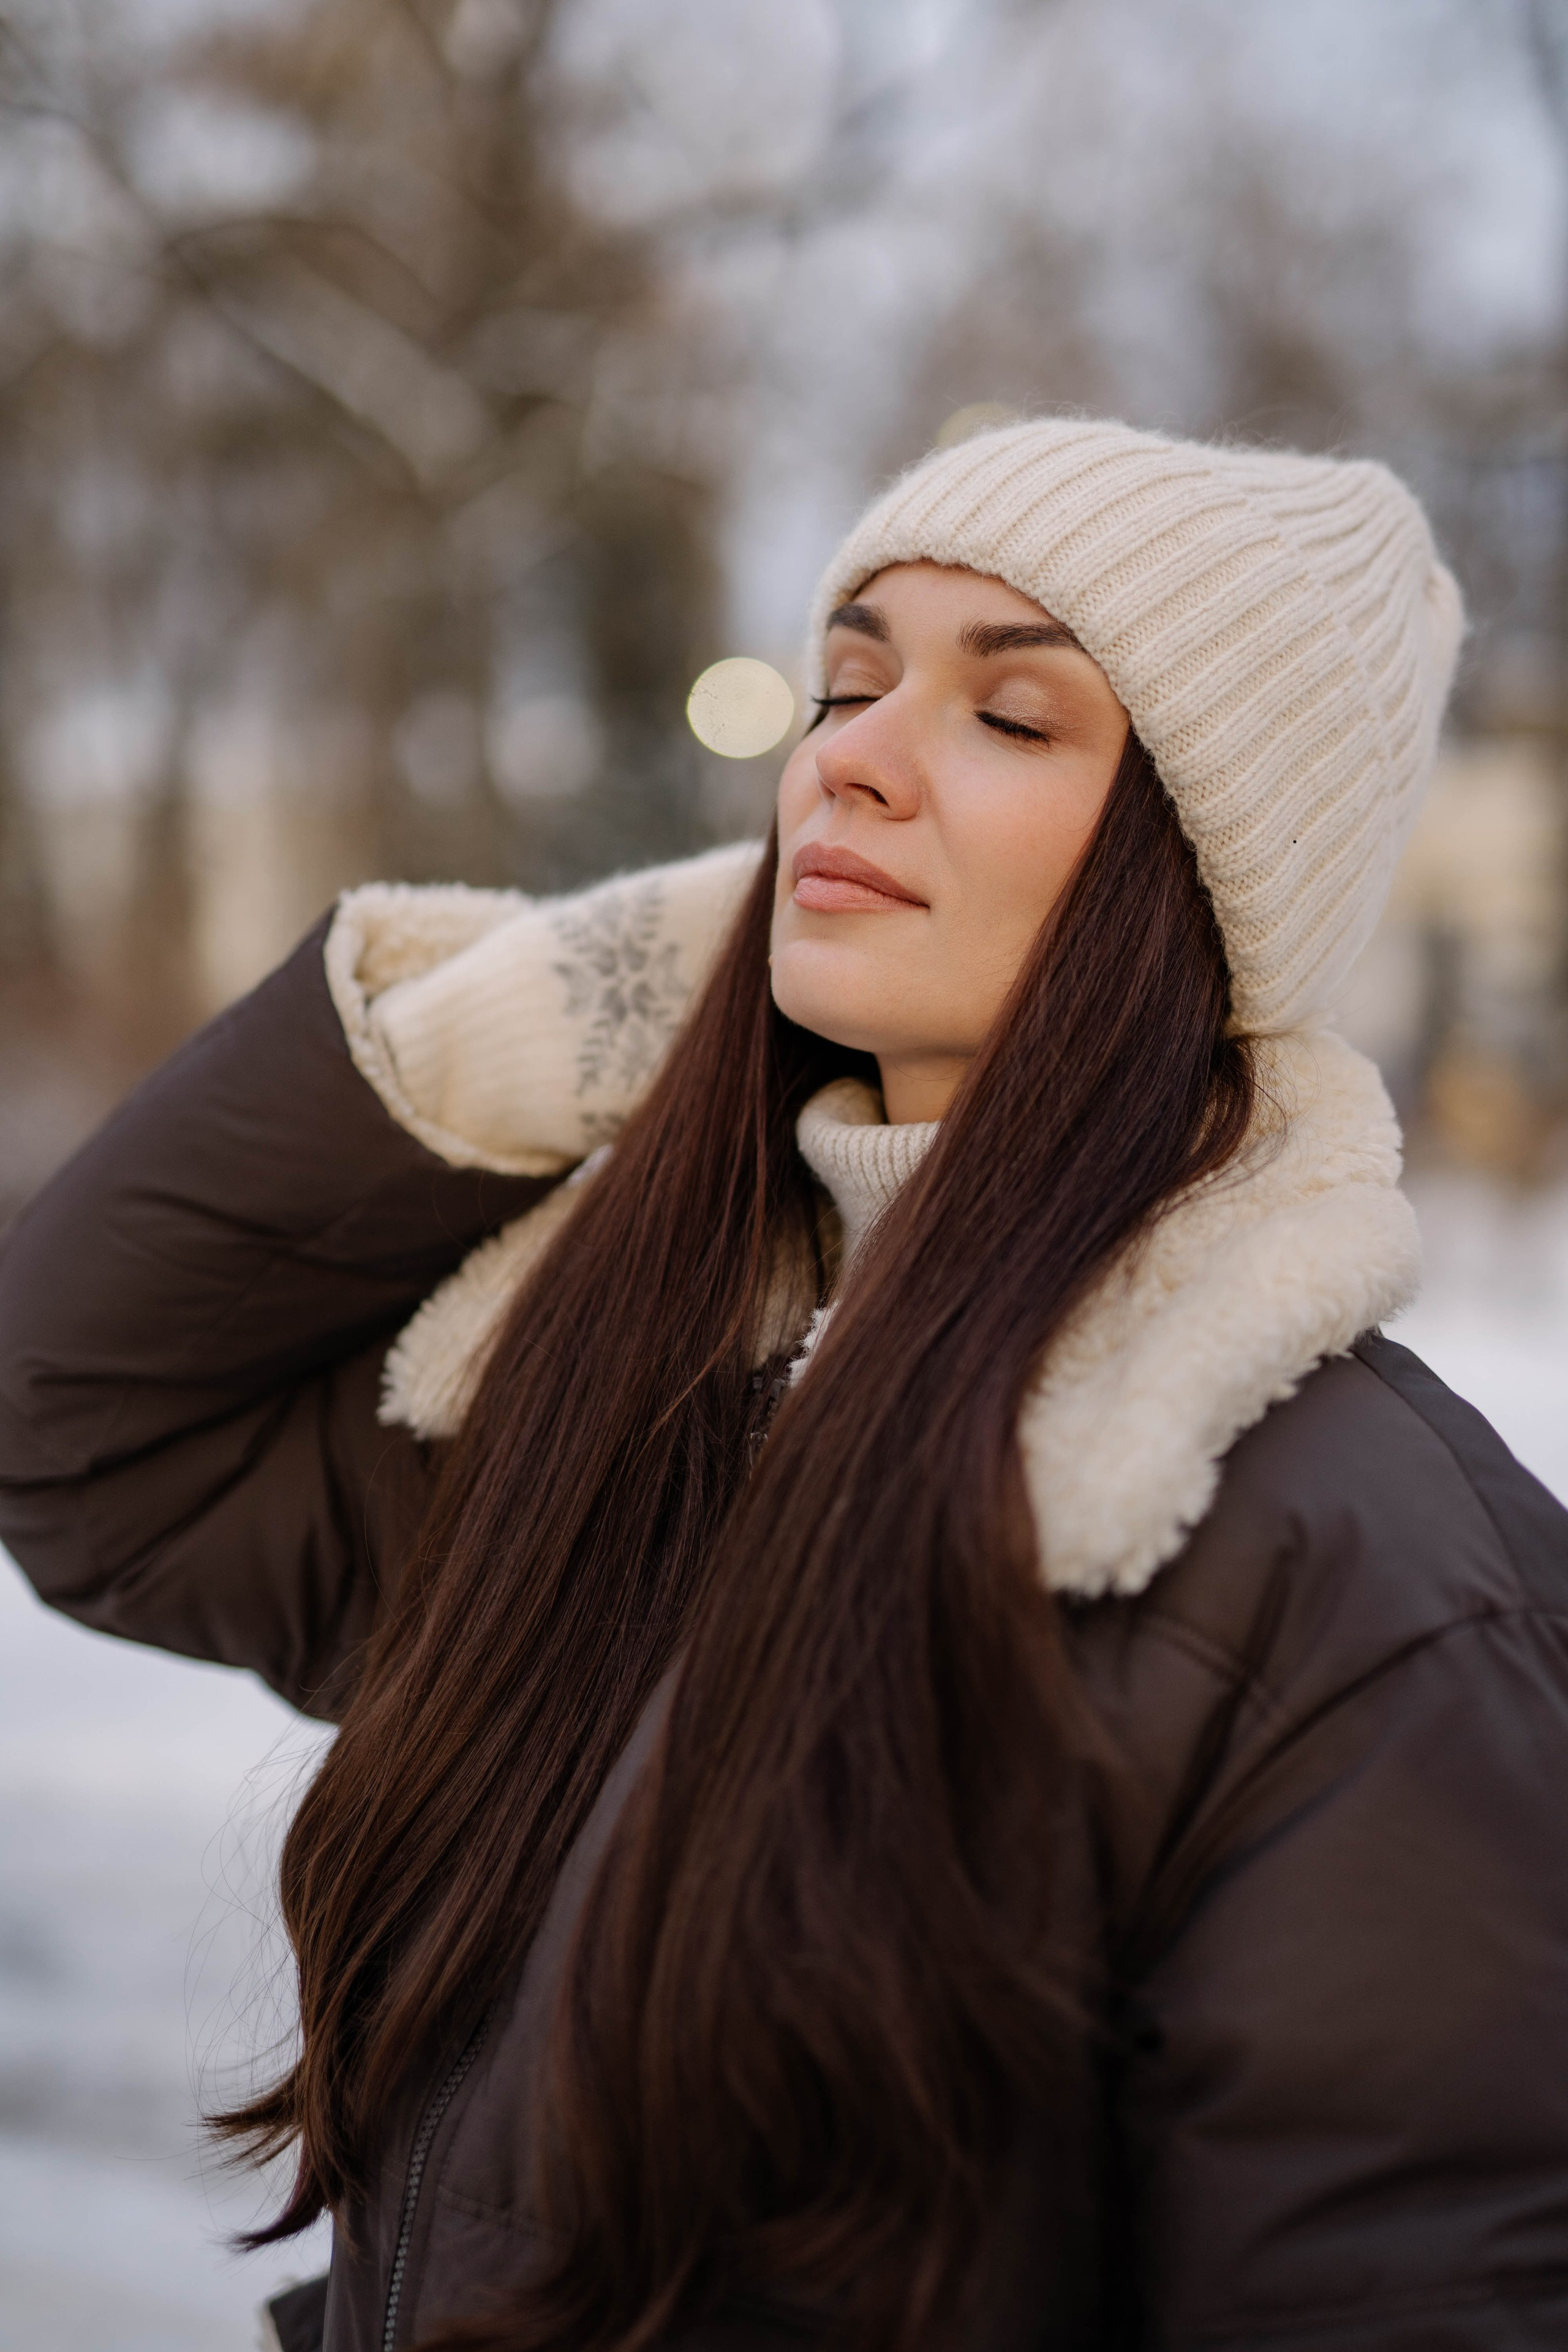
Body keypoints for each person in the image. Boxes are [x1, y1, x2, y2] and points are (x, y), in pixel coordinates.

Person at [2, 415, 1567, 2352]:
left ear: (1210, 881)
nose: (850, 755)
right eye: (847, 681)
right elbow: (79, 1420)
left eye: (1013, 717)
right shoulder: (641, 1389)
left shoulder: (1360, 1579)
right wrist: (574, 1006)